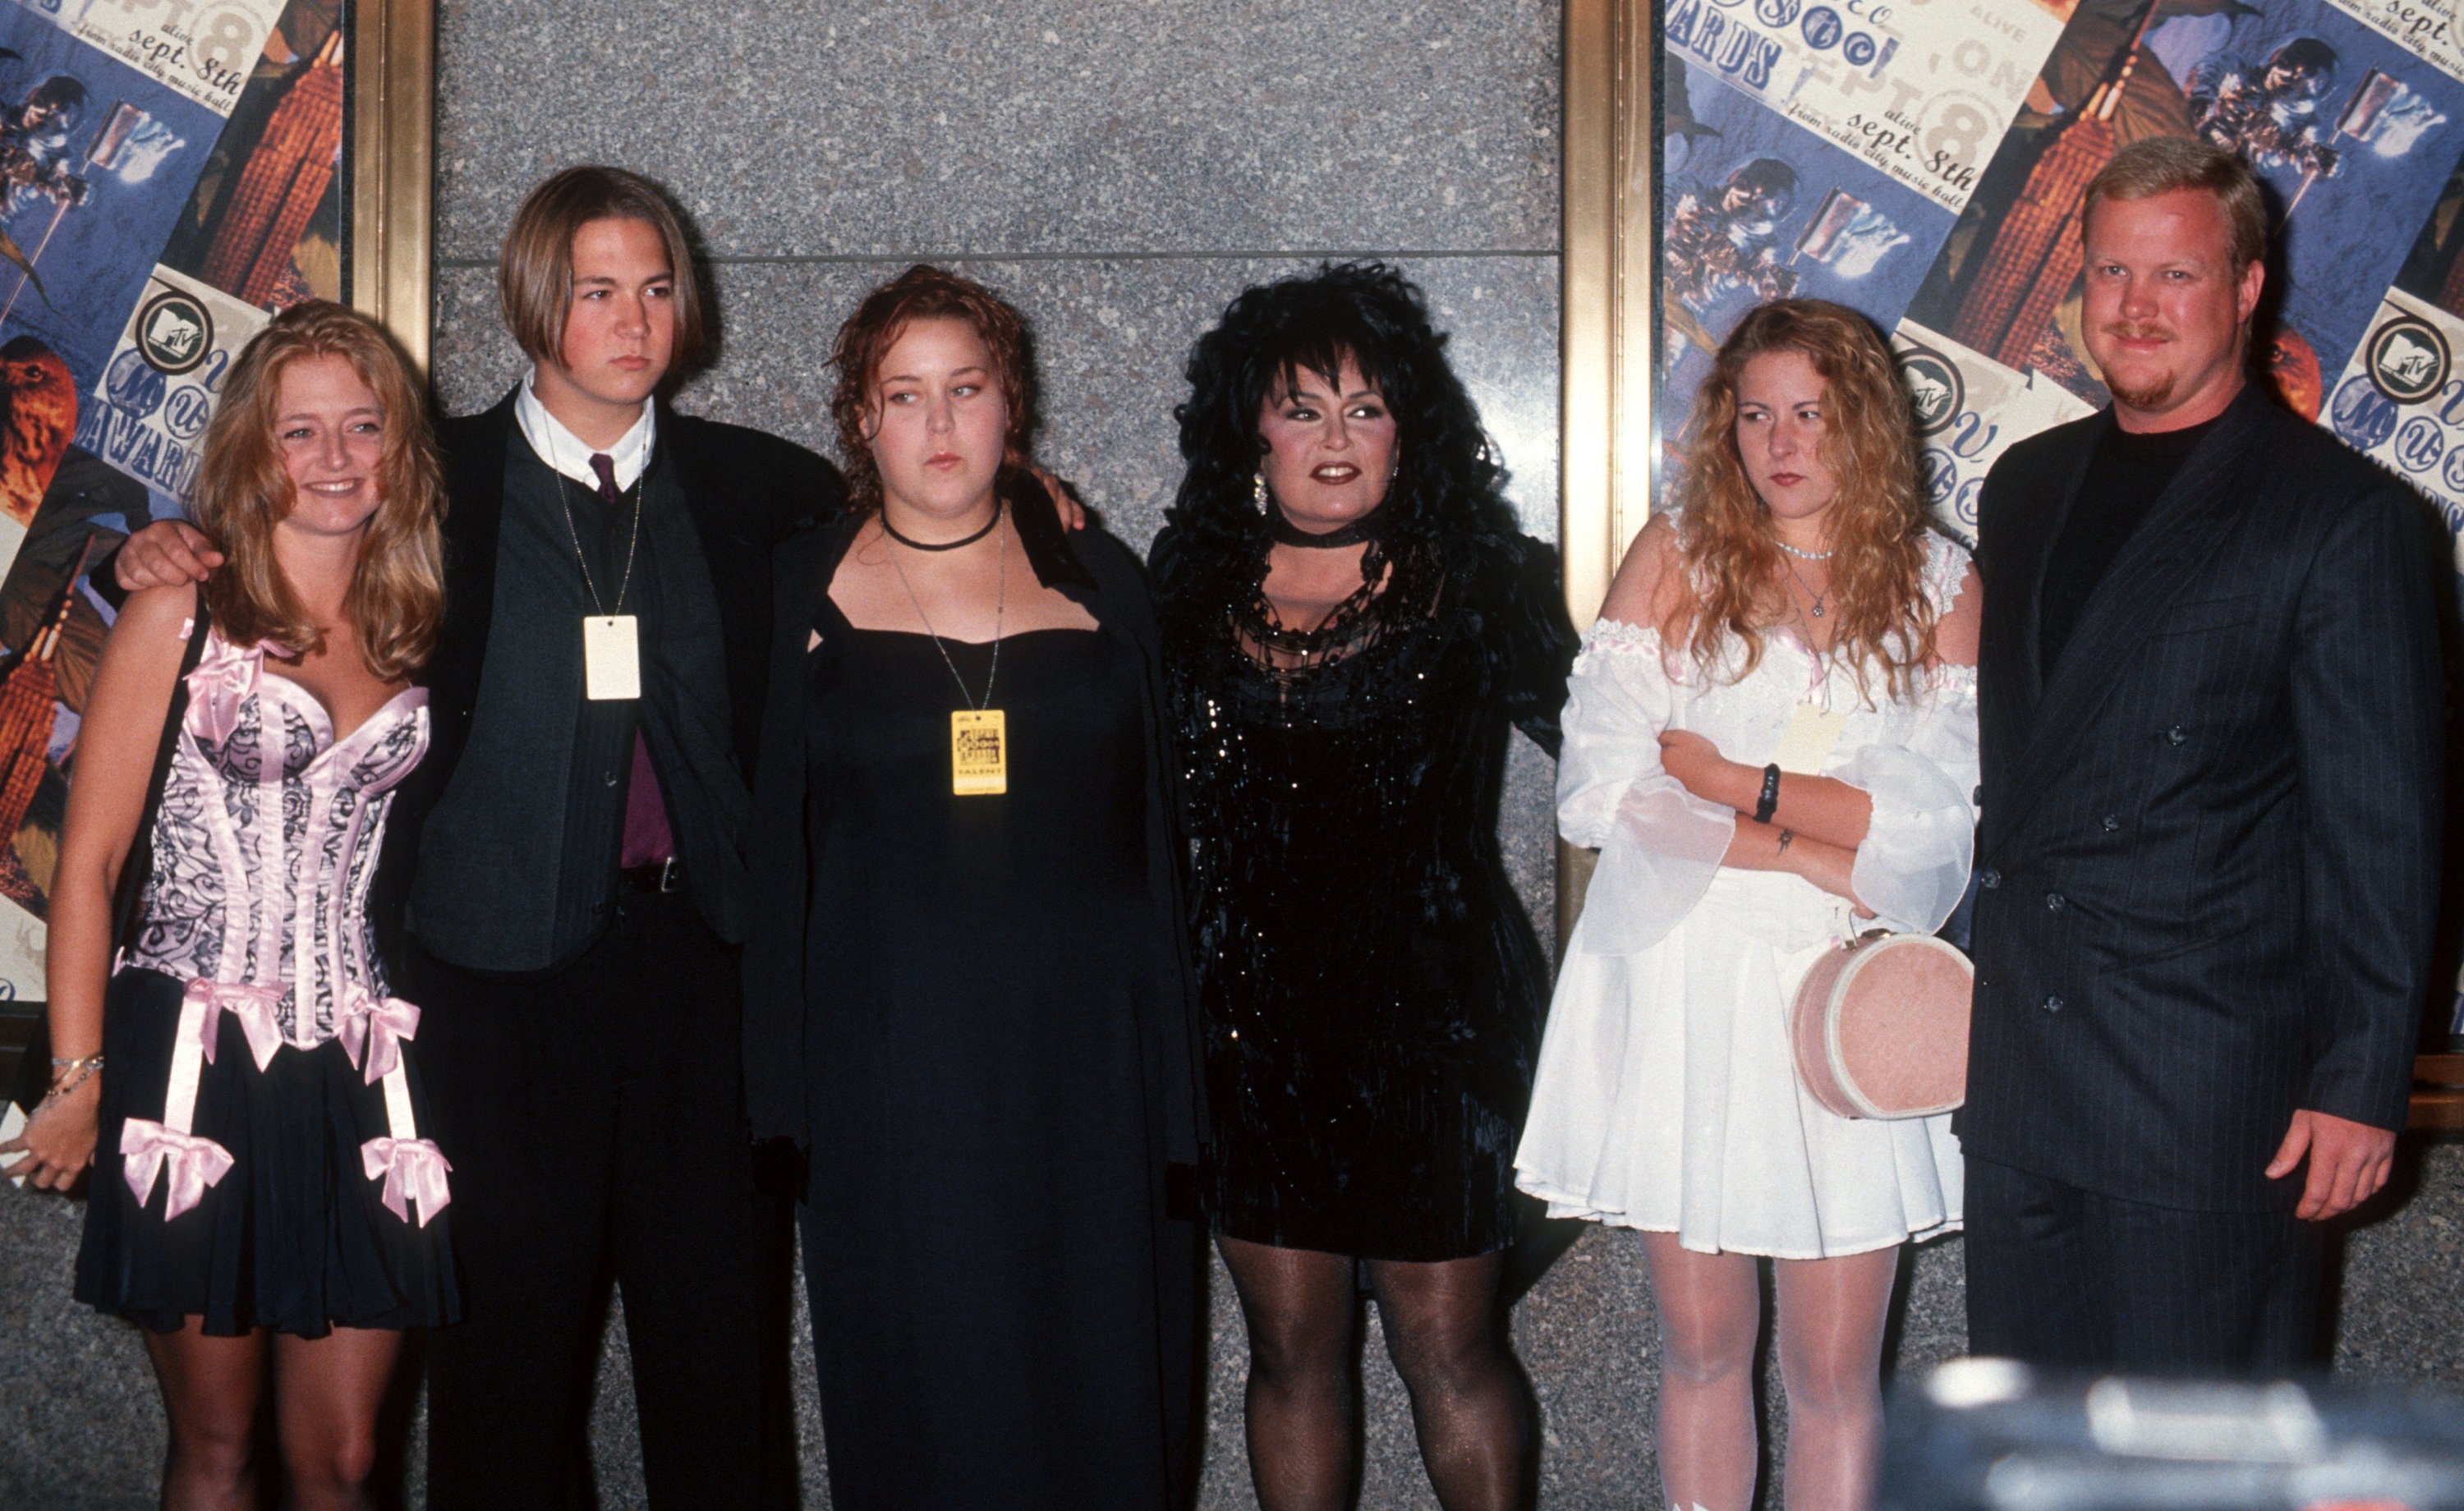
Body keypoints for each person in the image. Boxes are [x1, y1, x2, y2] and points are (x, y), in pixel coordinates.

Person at [107, 165, 839, 1509]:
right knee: (504, 1381)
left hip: (707, 987)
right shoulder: (436, 483)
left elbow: (936, 523)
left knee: (722, 1372)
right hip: (491, 995)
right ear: (532, 303)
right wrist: (147, 557)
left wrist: (1040, 506)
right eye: (599, 290)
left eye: (658, 288)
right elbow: (271, 527)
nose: (635, 320)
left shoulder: (767, 491)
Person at [1960, 138, 2442, 1371]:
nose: (2132, 307)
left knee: (2197, 1474)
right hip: (2023, 1086)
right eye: (2109, 271)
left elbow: (2382, 831)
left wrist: (2360, 1080)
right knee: (2033, 1469)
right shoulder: (2022, 485)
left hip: (2207, 1099)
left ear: (2245, 289)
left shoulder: (2346, 520)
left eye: (2173, 275)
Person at [740, 264, 1202, 1509]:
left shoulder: (1103, 579)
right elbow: (770, 861)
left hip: (1088, 1070)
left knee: (1100, 1385)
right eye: (905, 396)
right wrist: (778, 1093)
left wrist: (1175, 1097)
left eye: (967, 390)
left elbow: (1158, 849)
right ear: (859, 420)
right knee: (928, 1390)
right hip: (889, 1073)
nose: (939, 428)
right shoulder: (796, 588)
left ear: (1014, 407)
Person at [1515, 299, 1980, 1511]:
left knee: (1837, 1369)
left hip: (1852, 998)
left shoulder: (1939, 579)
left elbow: (1937, 829)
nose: (1780, 443)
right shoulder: (1677, 555)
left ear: (1865, 425)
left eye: (1811, 414)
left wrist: (1731, 786)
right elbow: (1601, 794)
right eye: (1756, 413)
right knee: (1706, 1347)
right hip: (1688, 974)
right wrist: (1813, 846)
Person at [1, 300, 450, 1507]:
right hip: (190, 1067)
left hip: (361, 1069)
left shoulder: (415, 620)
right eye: (302, 432)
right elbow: (87, 866)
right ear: (255, 447)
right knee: (217, 1449)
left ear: (399, 447)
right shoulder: (180, 611)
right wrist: (78, 1078)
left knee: (348, 1460)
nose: (338, 458)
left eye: (364, 427)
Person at [1149, 261, 1574, 1511]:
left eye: (1366, 407)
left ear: (1410, 428)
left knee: (1449, 1347)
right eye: (1301, 407)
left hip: (1435, 1034)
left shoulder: (1484, 579)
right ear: (1250, 429)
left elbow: (1627, 764)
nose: (1335, 439)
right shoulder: (1182, 587)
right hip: (1248, 1036)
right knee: (1291, 1352)